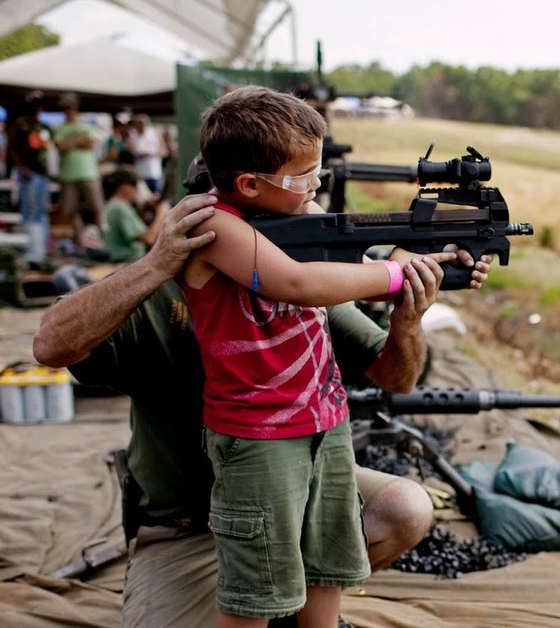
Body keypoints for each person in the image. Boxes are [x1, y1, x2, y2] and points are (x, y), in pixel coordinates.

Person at [32, 189, 491, 627]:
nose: (307, 208)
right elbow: (51, 343)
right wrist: (154, 265)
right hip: (186, 526)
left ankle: (288, 607)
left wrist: (407, 321)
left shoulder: (302, 276)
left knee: (403, 507)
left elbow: (397, 377)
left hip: (295, 498)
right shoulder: (163, 292)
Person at [180, 85, 480, 628]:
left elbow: (348, 268)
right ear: (250, 183)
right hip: (259, 441)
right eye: (305, 175)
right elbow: (297, 282)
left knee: (328, 574)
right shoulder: (211, 224)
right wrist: (395, 275)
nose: (318, 185)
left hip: (326, 426)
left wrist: (434, 265)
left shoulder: (294, 211)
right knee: (256, 595)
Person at [53, 92, 104, 250]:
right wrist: (78, 140)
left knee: (96, 208)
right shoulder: (58, 128)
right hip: (68, 175)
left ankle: (100, 240)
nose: (69, 111)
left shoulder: (86, 125)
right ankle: (81, 244)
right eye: (66, 108)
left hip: (88, 172)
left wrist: (71, 143)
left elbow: (90, 143)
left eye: (71, 107)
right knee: (70, 210)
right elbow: (60, 147)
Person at [6, 91, 51, 262]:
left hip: (42, 174)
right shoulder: (20, 124)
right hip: (28, 173)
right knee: (31, 211)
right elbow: (12, 147)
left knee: (41, 211)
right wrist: (21, 166)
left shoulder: (43, 126)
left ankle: (42, 249)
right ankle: (33, 251)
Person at [101, 169, 165, 263]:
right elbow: (149, 238)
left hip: (120, 259)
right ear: (124, 187)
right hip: (128, 261)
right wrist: (162, 213)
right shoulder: (120, 207)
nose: (136, 190)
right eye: (134, 186)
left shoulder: (112, 206)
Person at [127, 114, 164, 196]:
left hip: (154, 173)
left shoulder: (154, 133)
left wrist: (151, 154)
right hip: (140, 173)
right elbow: (131, 150)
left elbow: (163, 151)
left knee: (156, 196)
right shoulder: (132, 135)